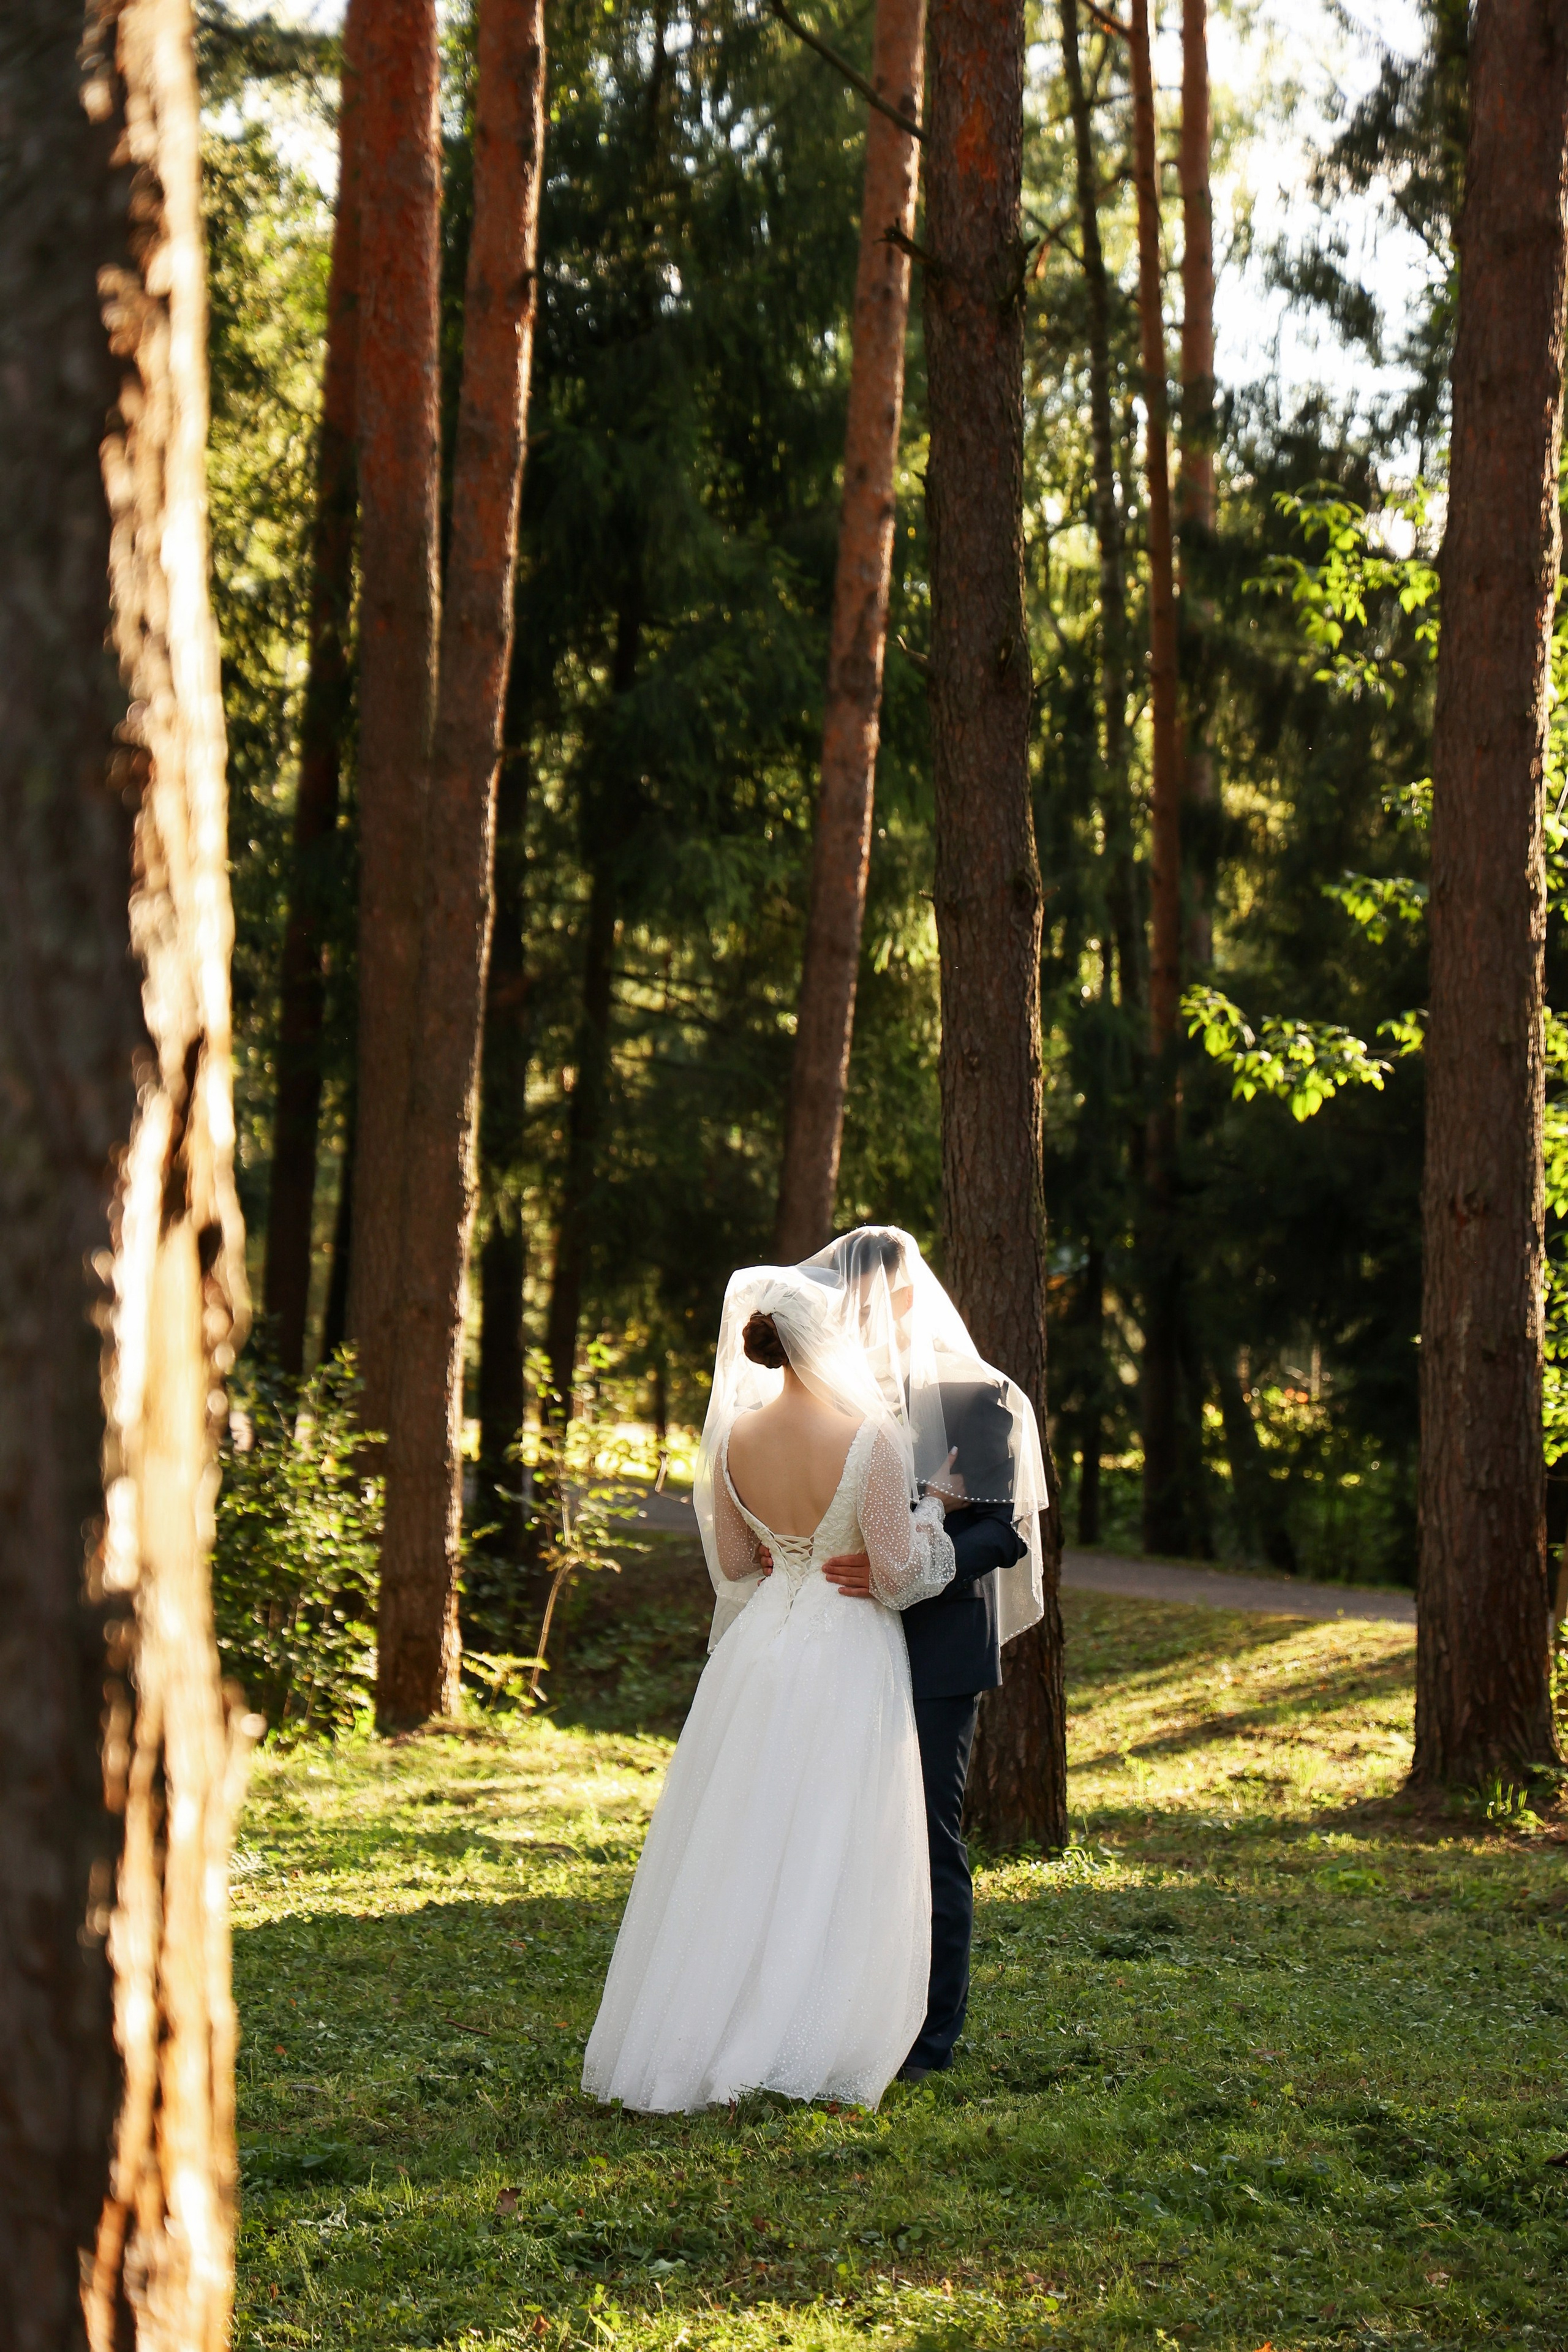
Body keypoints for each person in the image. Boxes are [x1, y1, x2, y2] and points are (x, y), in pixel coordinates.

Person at [581, 1264, 962, 2114]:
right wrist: (935, 1510)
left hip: (761, 1649)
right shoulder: (873, 1439)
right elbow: (898, 1576)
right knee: (835, 1835)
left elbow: (735, 1565)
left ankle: (714, 2022)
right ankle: (807, 2031)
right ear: (827, 1339)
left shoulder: (733, 1439)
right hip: (848, 1648)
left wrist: (790, 1557)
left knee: (743, 1835)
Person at [803, 1227, 1048, 2081]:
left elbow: (1003, 1533)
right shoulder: (822, 1400)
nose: (863, 1308)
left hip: (940, 1648)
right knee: (842, 1835)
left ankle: (929, 2038)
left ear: (912, 1293)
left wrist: (906, 1571)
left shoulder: (981, 1396)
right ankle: (846, 2012)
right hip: (838, 1644)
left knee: (931, 1841)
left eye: (878, 1292)